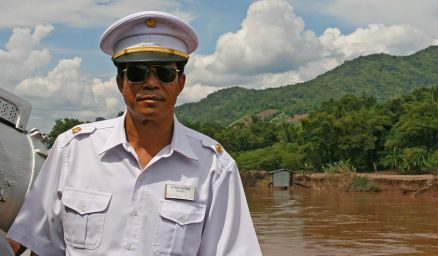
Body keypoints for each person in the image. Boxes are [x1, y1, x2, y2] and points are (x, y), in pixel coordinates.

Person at [7, 11, 262, 256]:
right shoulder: (72, 151)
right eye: (138, 73)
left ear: (180, 83)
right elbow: (42, 248)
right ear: (121, 83)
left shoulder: (214, 168)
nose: (151, 83)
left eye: (165, 73)